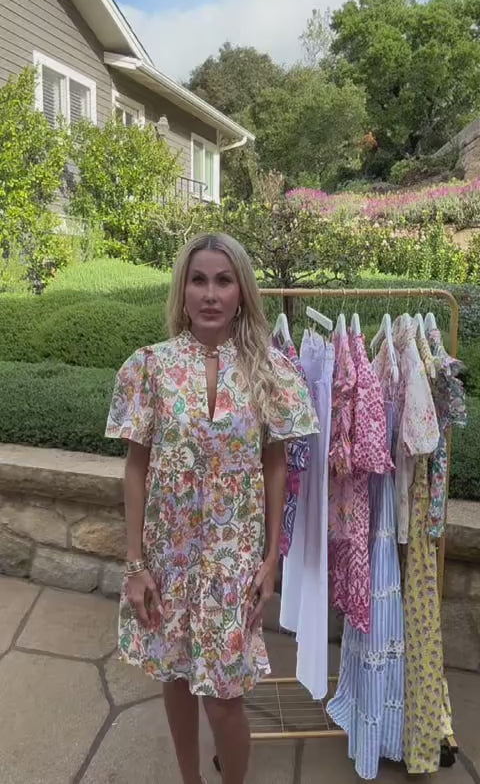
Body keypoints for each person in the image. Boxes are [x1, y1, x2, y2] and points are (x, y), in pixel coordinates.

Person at [105, 233, 319, 784]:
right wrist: (135, 563)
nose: (210, 293)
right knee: (174, 677)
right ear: (182, 290)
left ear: (242, 292)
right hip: (167, 556)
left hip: (233, 561)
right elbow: (136, 467)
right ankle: (190, 779)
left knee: (225, 697)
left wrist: (271, 559)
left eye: (223, 280)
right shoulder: (149, 367)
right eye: (198, 280)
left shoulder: (271, 371)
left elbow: (275, 466)